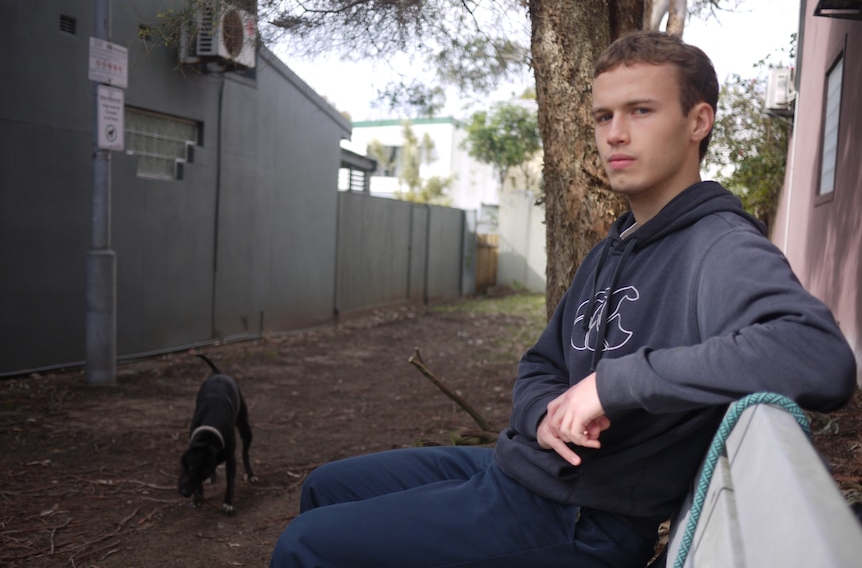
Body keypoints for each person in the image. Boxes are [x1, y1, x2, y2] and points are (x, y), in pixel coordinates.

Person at [269, 31, 857, 568]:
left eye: (640, 111)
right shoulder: (617, 245)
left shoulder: (719, 247)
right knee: (326, 486)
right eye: (603, 116)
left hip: (581, 519)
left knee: (306, 546)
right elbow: (542, 362)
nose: (614, 134)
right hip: (526, 470)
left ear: (698, 121)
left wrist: (612, 384)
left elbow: (817, 356)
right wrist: (538, 416)